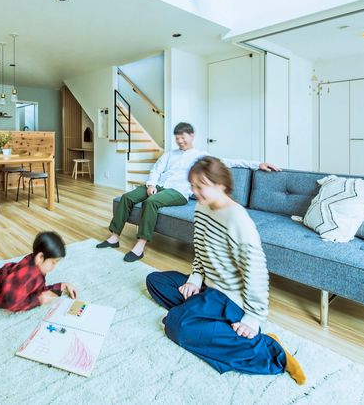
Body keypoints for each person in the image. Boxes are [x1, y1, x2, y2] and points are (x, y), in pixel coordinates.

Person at [146, 156, 305, 384]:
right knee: (155, 281)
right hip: (207, 287)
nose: (195, 192)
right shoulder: (202, 206)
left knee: (175, 325)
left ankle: (269, 349)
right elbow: (200, 249)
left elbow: (256, 272)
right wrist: (194, 279)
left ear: (220, 186)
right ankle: (202, 316)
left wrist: (253, 318)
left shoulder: (238, 220)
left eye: (201, 186)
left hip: (230, 297)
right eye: (193, 186)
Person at [97, 122, 280, 262]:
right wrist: (151, 184)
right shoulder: (169, 154)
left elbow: (228, 161)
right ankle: (114, 237)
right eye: (177, 138)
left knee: (151, 202)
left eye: (183, 138)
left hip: (177, 192)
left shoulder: (200, 156)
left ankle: (140, 245)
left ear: (192, 136)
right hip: (158, 185)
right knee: (127, 197)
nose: (180, 141)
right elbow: (156, 169)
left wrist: (258, 164)